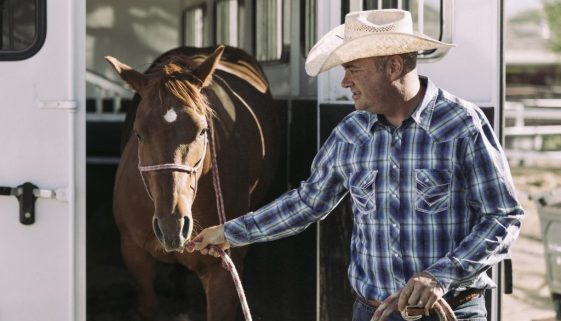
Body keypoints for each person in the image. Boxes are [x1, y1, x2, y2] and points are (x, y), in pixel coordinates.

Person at [187, 9, 524, 321]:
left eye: (353, 69)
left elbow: (503, 217)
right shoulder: (350, 133)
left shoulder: (462, 124)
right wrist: (230, 232)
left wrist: (441, 275)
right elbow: (307, 202)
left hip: (452, 309)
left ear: (393, 66)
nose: (344, 82)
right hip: (372, 312)